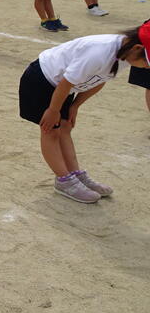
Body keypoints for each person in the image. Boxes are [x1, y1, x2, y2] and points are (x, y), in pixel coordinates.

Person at [18, 22, 150, 203]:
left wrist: (75, 106)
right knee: (51, 130)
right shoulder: (100, 52)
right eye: (147, 62)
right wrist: (53, 110)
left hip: (62, 88)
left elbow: (100, 80)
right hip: (41, 80)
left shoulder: (125, 55)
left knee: (65, 127)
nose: (147, 67)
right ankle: (63, 180)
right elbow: (66, 82)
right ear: (137, 48)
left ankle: (75, 174)